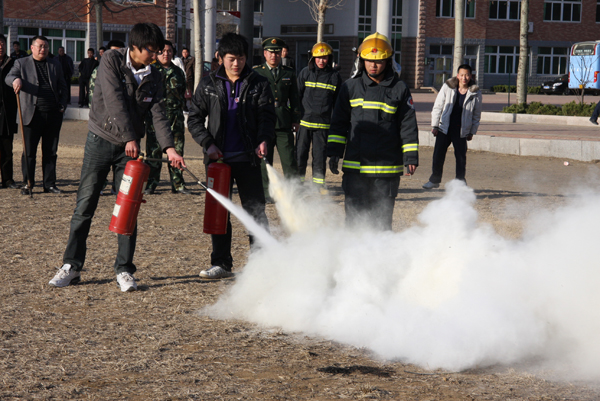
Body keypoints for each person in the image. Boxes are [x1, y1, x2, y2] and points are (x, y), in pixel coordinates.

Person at [48, 23, 186, 292]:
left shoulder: (154, 75)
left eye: (158, 51)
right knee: (85, 205)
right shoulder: (111, 60)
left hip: (129, 154)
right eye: (151, 50)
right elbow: (114, 101)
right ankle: (71, 265)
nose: (155, 55)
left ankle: (124, 269)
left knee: (128, 208)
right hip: (101, 142)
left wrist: (170, 148)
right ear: (134, 47)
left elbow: (158, 113)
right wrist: (129, 138)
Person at [187, 33, 275, 280]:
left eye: (241, 58)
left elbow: (267, 118)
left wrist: (263, 140)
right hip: (218, 163)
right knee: (219, 212)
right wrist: (208, 143)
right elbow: (194, 119)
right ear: (220, 58)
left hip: (248, 160)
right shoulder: (207, 84)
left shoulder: (258, 82)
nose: (237, 64)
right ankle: (221, 263)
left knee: (255, 211)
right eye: (231, 59)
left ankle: (262, 263)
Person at [327, 32, 419, 230]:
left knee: (381, 224)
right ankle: (354, 259)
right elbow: (338, 124)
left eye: (378, 61)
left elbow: (408, 124)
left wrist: (410, 156)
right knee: (354, 223)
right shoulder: (349, 87)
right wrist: (334, 152)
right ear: (361, 61)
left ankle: (381, 260)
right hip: (355, 168)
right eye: (369, 60)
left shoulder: (399, 88)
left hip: (386, 171)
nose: (373, 65)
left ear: (387, 61)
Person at [6, 35, 68, 195]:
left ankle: (50, 184)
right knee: (29, 151)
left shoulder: (55, 64)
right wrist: (15, 80)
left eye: (46, 46)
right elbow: (8, 77)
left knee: (51, 151)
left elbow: (63, 86)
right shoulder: (21, 63)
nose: (43, 49)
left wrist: (62, 105)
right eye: (40, 46)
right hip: (31, 114)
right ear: (32, 48)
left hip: (53, 114)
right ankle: (28, 183)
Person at [253, 37, 300, 202]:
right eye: (271, 53)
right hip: (263, 121)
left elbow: (295, 98)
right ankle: (266, 192)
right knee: (265, 160)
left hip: (283, 121)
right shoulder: (256, 72)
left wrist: (295, 119)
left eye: (277, 53)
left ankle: (293, 192)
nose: (274, 56)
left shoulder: (289, 72)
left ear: (281, 54)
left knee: (289, 160)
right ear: (265, 54)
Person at [422, 64, 482, 189]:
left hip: (461, 129)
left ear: (471, 76)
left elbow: (476, 114)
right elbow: (438, 106)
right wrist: (435, 125)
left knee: (461, 157)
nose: (464, 78)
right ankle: (434, 180)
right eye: (462, 75)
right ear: (457, 76)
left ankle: (460, 183)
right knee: (438, 154)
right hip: (445, 127)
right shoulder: (447, 87)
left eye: (467, 75)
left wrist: (472, 131)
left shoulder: (475, 92)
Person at [144, 40, 189, 195]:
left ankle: (178, 184)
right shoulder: (150, 70)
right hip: (155, 120)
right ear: (157, 53)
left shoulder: (178, 72)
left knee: (177, 151)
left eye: (169, 51)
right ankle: (151, 183)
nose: (166, 54)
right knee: (154, 152)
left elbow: (182, 94)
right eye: (162, 51)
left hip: (175, 118)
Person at [296, 42, 342, 193]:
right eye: (318, 58)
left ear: (329, 58)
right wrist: (296, 117)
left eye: (324, 58)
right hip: (305, 122)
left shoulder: (335, 77)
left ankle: (318, 186)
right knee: (300, 155)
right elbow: (297, 95)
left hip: (323, 125)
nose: (321, 61)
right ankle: (298, 185)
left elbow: (338, 104)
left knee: (319, 157)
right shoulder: (305, 73)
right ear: (313, 58)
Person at [0, 34, 18, 189]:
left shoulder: (12, 63)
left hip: (7, 112)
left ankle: (7, 179)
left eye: (2, 44)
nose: (0, 47)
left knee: (7, 148)